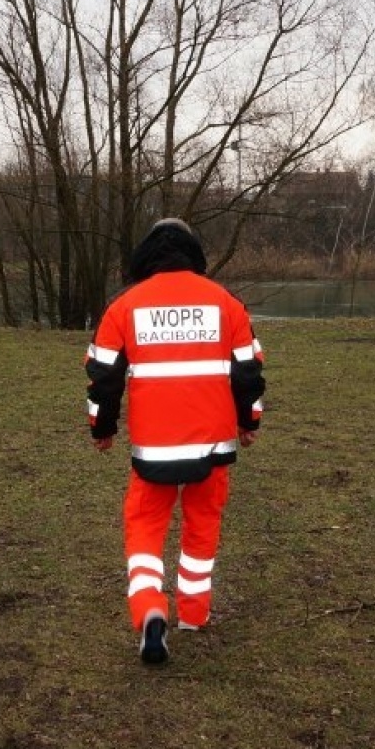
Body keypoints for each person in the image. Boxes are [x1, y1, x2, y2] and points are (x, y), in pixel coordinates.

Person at [84, 218, 265, 665]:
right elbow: (249, 373)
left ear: (145, 257)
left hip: (153, 452)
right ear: (194, 254)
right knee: (202, 529)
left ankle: (149, 611)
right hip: (214, 447)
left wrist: (102, 429)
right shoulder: (226, 303)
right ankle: (193, 615)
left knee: (144, 530)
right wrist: (250, 421)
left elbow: (102, 378)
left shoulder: (124, 307)